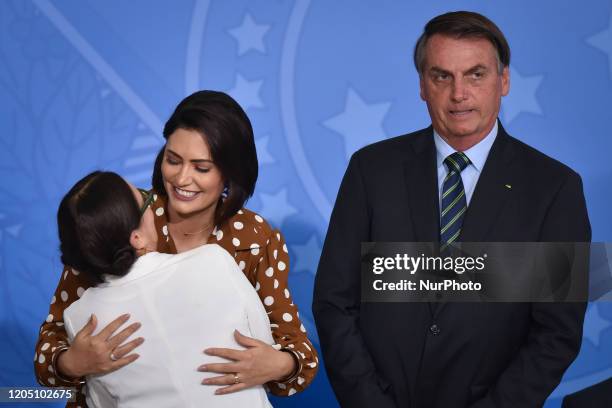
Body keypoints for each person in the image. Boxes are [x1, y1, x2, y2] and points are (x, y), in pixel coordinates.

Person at [313, 11, 590, 408]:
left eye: (476, 75)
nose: (459, 93)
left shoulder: (556, 188)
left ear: (504, 81)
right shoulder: (370, 170)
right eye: (442, 76)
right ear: (423, 86)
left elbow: (557, 334)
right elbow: (334, 302)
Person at [35, 91, 318, 407]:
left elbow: (301, 357)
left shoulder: (256, 239)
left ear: (230, 172)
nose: (182, 178)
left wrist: (279, 364)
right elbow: (48, 355)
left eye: (202, 167)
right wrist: (71, 363)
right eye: (173, 160)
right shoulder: (118, 216)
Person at [59, 171, 274, 407]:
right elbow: (264, 346)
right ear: (136, 238)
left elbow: (101, 403)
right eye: (145, 199)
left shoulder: (79, 317)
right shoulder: (214, 260)